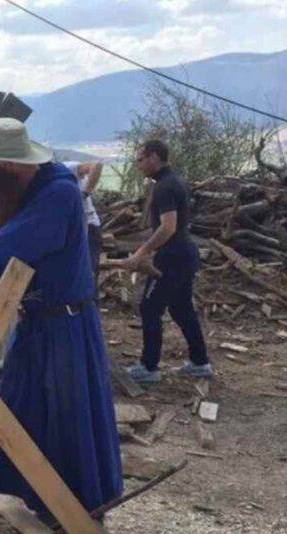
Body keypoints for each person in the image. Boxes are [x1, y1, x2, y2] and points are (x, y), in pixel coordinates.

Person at [0, 118, 122, 519]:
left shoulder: (58, 193)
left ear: (4, 166)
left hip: (65, 327)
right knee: (23, 408)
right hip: (32, 323)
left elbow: (9, 249)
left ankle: (79, 515)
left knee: (67, 418)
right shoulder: (3, 193)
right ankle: (39, 499)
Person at [118, 139, 212, 383]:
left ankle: (149, 368)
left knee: (150, 307)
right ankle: (200, 362)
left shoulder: (164, 187)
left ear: (153, 157)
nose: (138, 165)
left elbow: (168, 227)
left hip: (173, 258)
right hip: (183, 254)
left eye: (140, 159)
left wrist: (142, 252)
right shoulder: (175, 181)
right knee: (181, 309)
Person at [62, 161, 104, 290]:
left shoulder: (65, 169)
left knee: (89, 272)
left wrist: (85, 193)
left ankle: (91, 305)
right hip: (71, 230)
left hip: (89, 226)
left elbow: (97, 165)